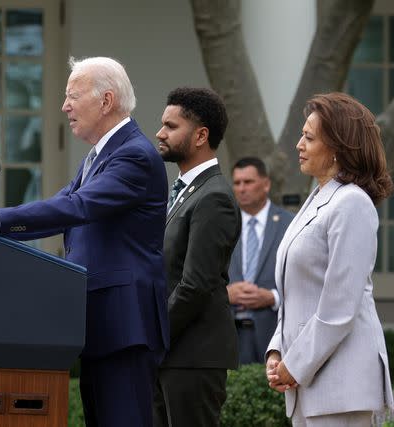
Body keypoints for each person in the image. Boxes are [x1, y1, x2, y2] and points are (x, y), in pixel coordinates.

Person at [0, 56, 169, 427]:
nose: (64, 106)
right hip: (101, 323)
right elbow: (59, 207)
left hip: (125, 326)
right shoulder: (97, 156)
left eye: (72, 96)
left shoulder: (134, 155)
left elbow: (75, 206)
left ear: (106, 100)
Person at [266, 92, 394, 426]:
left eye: (309, 137)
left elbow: (340, 307)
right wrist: (278, 350)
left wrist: (294, 365)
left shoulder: (352, 203)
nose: (298, 144)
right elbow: (297, 292)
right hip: (309, 381)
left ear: (338, 147)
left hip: (341, 385)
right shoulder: (318, 198)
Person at [153, 87, 240, 427]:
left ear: (201, 135)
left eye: (171, 126)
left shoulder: (214, 197)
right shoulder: (184, 192)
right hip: (173, 354)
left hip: (193, 357)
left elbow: (196, 284)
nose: (160, 133)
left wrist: (154, 334)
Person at [227, 157, 293, 365]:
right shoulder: (222, 224)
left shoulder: (290, 224)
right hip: (229, 334)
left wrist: (273, 297)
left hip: (273, 334)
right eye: (237, 183)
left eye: (248, 182)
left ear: (266, 184)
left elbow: (304, 282)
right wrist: (225, 294)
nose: (242, 188)